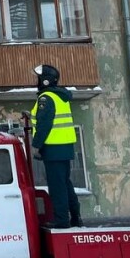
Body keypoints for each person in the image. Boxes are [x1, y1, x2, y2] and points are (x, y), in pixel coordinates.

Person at [31, 65, 82, 229]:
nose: (37, 81)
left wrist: (36, 146)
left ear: (44, 80)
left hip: (53, 148)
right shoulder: (60, 96)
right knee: (65, 183)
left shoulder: (46, 98)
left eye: (39, 78)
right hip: (65, 147)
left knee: (57, 186)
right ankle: (75, 217)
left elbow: (45, 124)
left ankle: (61, 220)